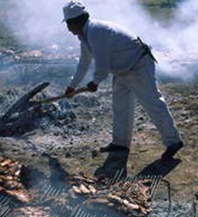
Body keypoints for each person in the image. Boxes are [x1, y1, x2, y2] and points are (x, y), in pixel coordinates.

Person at [62, 1, 184, 160]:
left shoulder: (97, 32)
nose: (68, 28)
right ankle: (120, 143)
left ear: (76, 21)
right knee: (121, 107)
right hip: (121, 71)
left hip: (138, 66)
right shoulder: (85, 37)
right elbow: (83, 63)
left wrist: (94, 83)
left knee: (153, 103)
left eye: (68, 24)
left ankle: (173, 142)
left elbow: (102, 67)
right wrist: (72, 86)